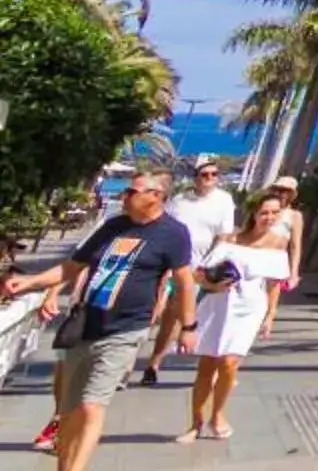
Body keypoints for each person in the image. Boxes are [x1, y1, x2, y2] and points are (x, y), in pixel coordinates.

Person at [6, 170, 195, 471]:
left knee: (91, 406)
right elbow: (73, 266)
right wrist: (30, 282)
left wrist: (188, 326)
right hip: (86, 325)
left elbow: (185, 282)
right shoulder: (113, 226)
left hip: (126, 329)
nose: (125, 196)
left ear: (156, 197)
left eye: (133, 192)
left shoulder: (173, 233)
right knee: (67, 413)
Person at [179, 191, 294, 443]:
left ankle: (217, 415)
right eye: (265, 212)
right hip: (217, 305)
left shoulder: (277, 244)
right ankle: (195, 422)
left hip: (249, 308)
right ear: (253, 213)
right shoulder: (230, 239)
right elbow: (199, 275)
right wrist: (214, 285)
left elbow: (275, 284)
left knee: (229, 363)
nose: (270, 217)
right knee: (207, 366)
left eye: (275, 213)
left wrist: (270, 315)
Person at [138, 167, 231, 387]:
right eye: (204, 174)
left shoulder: (224, 201)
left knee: (175, 317)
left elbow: (223, 236)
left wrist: (207, 266)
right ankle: (129, 362)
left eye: (214, 174)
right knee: (153, 313)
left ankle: (154, 364)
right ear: (195, 178)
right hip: (166, 265)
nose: (209, 178)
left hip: (195, 269)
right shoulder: (180, 200)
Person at [263, 181, 304, 297]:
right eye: (276, 189)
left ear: (291, 194)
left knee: (270, 300)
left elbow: (295, 246)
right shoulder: (263, 210)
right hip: (257, 255)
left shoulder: (294, 216)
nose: (279, 193)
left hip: (276, 260)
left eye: (284, 191)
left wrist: (294, 273)